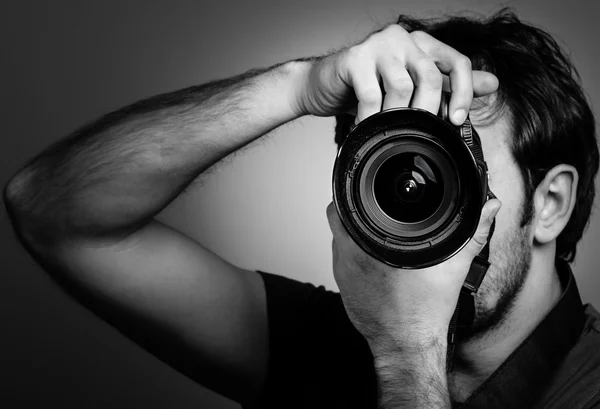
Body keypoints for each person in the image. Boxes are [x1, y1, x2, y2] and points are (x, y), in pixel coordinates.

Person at [3, 7, 600, 409]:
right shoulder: (334, 342)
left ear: (549, 204)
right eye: (397, 164)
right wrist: (294, 86)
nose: (415, 201)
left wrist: (407, 352)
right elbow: (52, 212)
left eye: (454, 172)